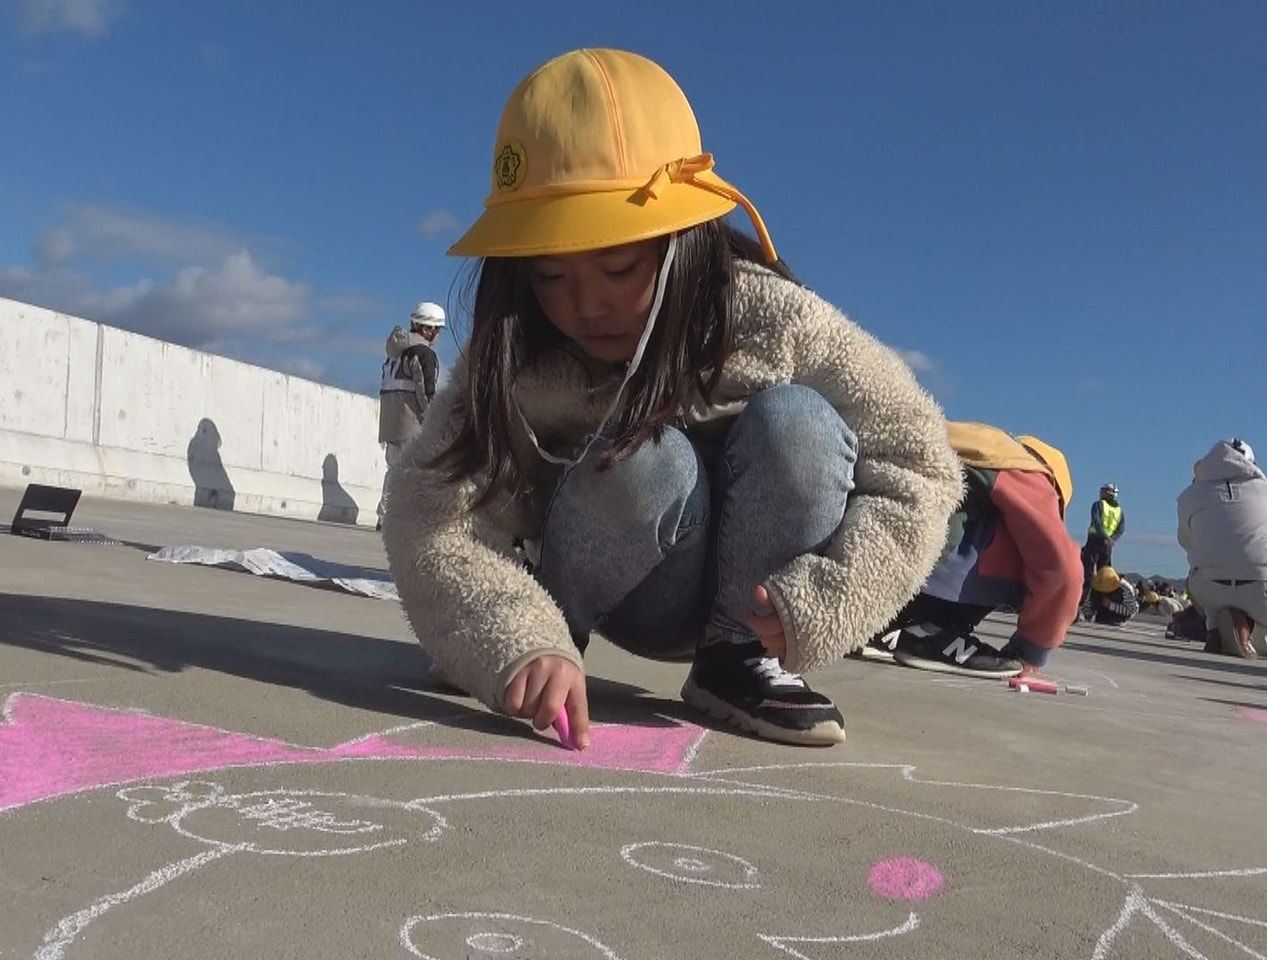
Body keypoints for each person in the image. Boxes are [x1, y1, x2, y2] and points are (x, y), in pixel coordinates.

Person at [383, 48, 963, 748]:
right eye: (549, 276)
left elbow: (922, 457)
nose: (586, 305)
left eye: (619, 265)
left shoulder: (771, 317)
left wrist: (826, 600)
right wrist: (510, 633)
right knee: (644, 461)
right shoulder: (521, 350)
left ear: (686, 240)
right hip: (610, 590)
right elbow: (424, 505)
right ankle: (553, 645)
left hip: (756, 607)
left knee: (801, 426)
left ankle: (735, 665)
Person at [856, 423, 1082, 677]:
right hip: (912, 559)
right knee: (1034, 550)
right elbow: (1063, 568)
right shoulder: (1026, 471)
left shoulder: (978, 444)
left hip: (866, 544)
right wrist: (1030, 650)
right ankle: (932, 631)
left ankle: (876, 623)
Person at [1176, 438, 1267, 660]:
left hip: (1208, 591)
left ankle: (1217, 629)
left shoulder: (1189, 497)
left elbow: (1187, 543)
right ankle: (1251, 633)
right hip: (1264, 590)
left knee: (1203, 568)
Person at [377, 302, 444, 529]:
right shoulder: (423, 354)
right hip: (412, 423)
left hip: (390, 424)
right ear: (427, 329)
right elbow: (426, 393)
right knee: (416, 473)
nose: (436, 335)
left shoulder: (393, 353)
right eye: (435, 329)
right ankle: (407, 522)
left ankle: (384, 517)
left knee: (393, 470)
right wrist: (434, 421)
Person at [1080, 482, 1124, 603]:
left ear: (1106, 492)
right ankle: (1099, 605)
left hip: (1094, 541)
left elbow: (1096, 521)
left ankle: (1081, 603)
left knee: (1087, 573)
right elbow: (1121, 528)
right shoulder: (1119, 510)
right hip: (1107, 546)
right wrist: (1112, 539)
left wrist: (1105, 536)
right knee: (1104, 578)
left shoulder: (1098, 505)